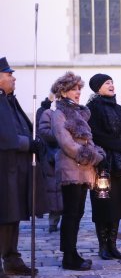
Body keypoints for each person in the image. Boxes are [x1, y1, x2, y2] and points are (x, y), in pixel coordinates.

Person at [51, 71, 106, 270]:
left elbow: (88, 140)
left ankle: (73, 252)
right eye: (73, 89)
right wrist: (89, 155)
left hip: (84, 170)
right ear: (63, 92)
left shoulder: (80, 112)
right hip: (71, 169)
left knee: (78, 212)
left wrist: (95, 152)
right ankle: (68, 256)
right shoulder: (59, 113)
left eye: (78, 89)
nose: (77, 93)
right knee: (71, 213)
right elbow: (66, 143)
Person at [0, 57, 47, 278]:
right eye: (9, 74)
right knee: (2, 216)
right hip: (3, 169)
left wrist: (33, 142)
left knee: (13, 215)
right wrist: (28, 144)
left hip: (16, 169)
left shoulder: (9, 101)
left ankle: (11, 258)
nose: (13, 77)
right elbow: (4, 137)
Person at [87, 73, 121, 260]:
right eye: (107, 83)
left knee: (116, 204)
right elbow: (95, 135)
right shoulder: (92, 108)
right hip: (103, 164)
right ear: (97, 87)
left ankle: (113, 245)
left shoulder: (119, 108)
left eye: (112, 82)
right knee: (103, 204)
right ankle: (102, 246)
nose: (111, 85)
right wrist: (118, 145)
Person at [37, 94, 63, 233]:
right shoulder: (47, 112)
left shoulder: (70, 112)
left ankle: (65, 221)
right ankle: (53, 222)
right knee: (54, 190)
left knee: (64, 190)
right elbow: (43, 132)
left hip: (65, 156)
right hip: (51, 155)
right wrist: (62, 135)